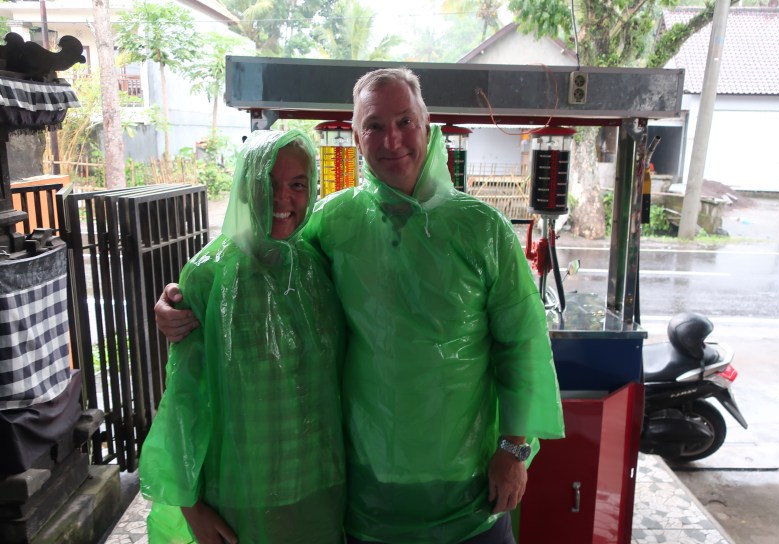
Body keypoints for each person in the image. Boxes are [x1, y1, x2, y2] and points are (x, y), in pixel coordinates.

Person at [156, 68, 564, 543]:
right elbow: (264, 249)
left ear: (426, 126)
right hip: (369, 498)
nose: (392, 139)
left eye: (404, 121)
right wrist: (182, 299)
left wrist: (514, 450)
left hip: (469, 492)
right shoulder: (334, 220)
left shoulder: (483, 228)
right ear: (356, 137)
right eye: (374, 125)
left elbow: (522, 344)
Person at [140, 129, 346, 544]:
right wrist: (191, 506)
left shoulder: (320, 264)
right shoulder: (208, 275)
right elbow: (184, 400)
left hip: (320, 487)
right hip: (240, 495)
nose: (282, 198)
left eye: (297, 184)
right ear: (245, 185)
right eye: (268, 182)